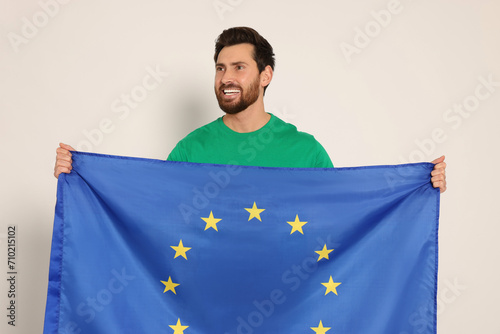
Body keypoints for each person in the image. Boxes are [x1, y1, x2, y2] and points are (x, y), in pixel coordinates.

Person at [54, 27, 447, 192]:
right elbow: (150, 209)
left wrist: (416, 187)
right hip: (204, 307)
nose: (227, 77)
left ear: (266, 75)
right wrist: (83, 177)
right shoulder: (191, 150)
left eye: (239, 68)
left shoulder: (305, 150)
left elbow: (343, 216)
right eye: (221, 68)